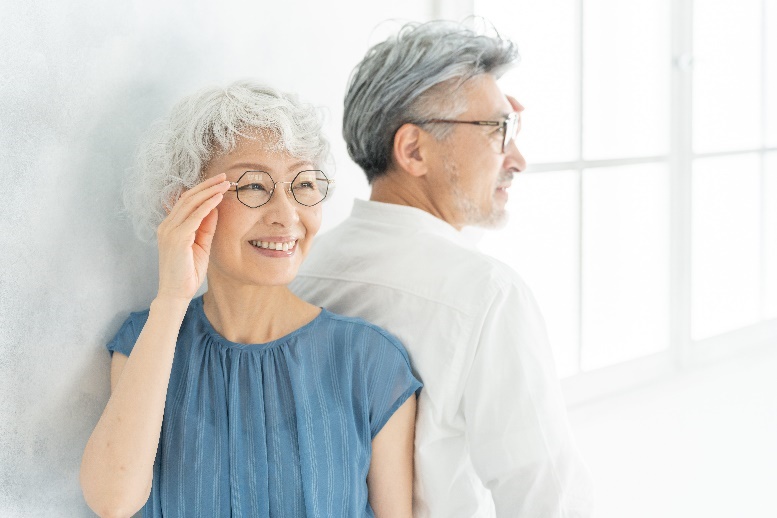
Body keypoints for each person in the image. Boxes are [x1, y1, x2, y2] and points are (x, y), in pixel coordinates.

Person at [290, 21, 593, 517]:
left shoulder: (303, 270)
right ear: (412, 150)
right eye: (498, 130)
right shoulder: (485, 295)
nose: (517, 158)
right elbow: (548, 499)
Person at [80, 80, 421, 518]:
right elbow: (112, 500)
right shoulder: (144, 343)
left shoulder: (371, 361)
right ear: (184, 205)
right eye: (255, 187)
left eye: (304, 184)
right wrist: (171, 298)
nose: (286, 215)